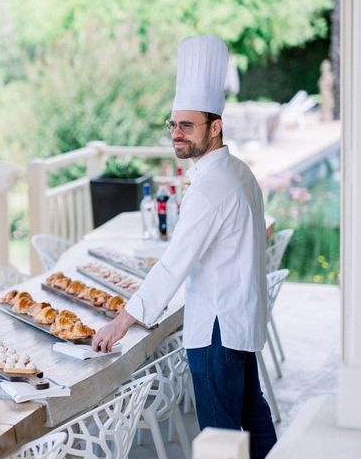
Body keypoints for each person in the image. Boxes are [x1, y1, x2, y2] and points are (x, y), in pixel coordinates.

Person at [91, 35, 277, 459]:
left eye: (187, 125)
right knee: (254, 414)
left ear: (216, 127)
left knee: (220, 436)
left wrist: (122, 322)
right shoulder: (238, 171)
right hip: (238, 317)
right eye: (173, 124)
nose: (176, 134)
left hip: (216, 327)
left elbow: (174, 265)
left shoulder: (210, 186)